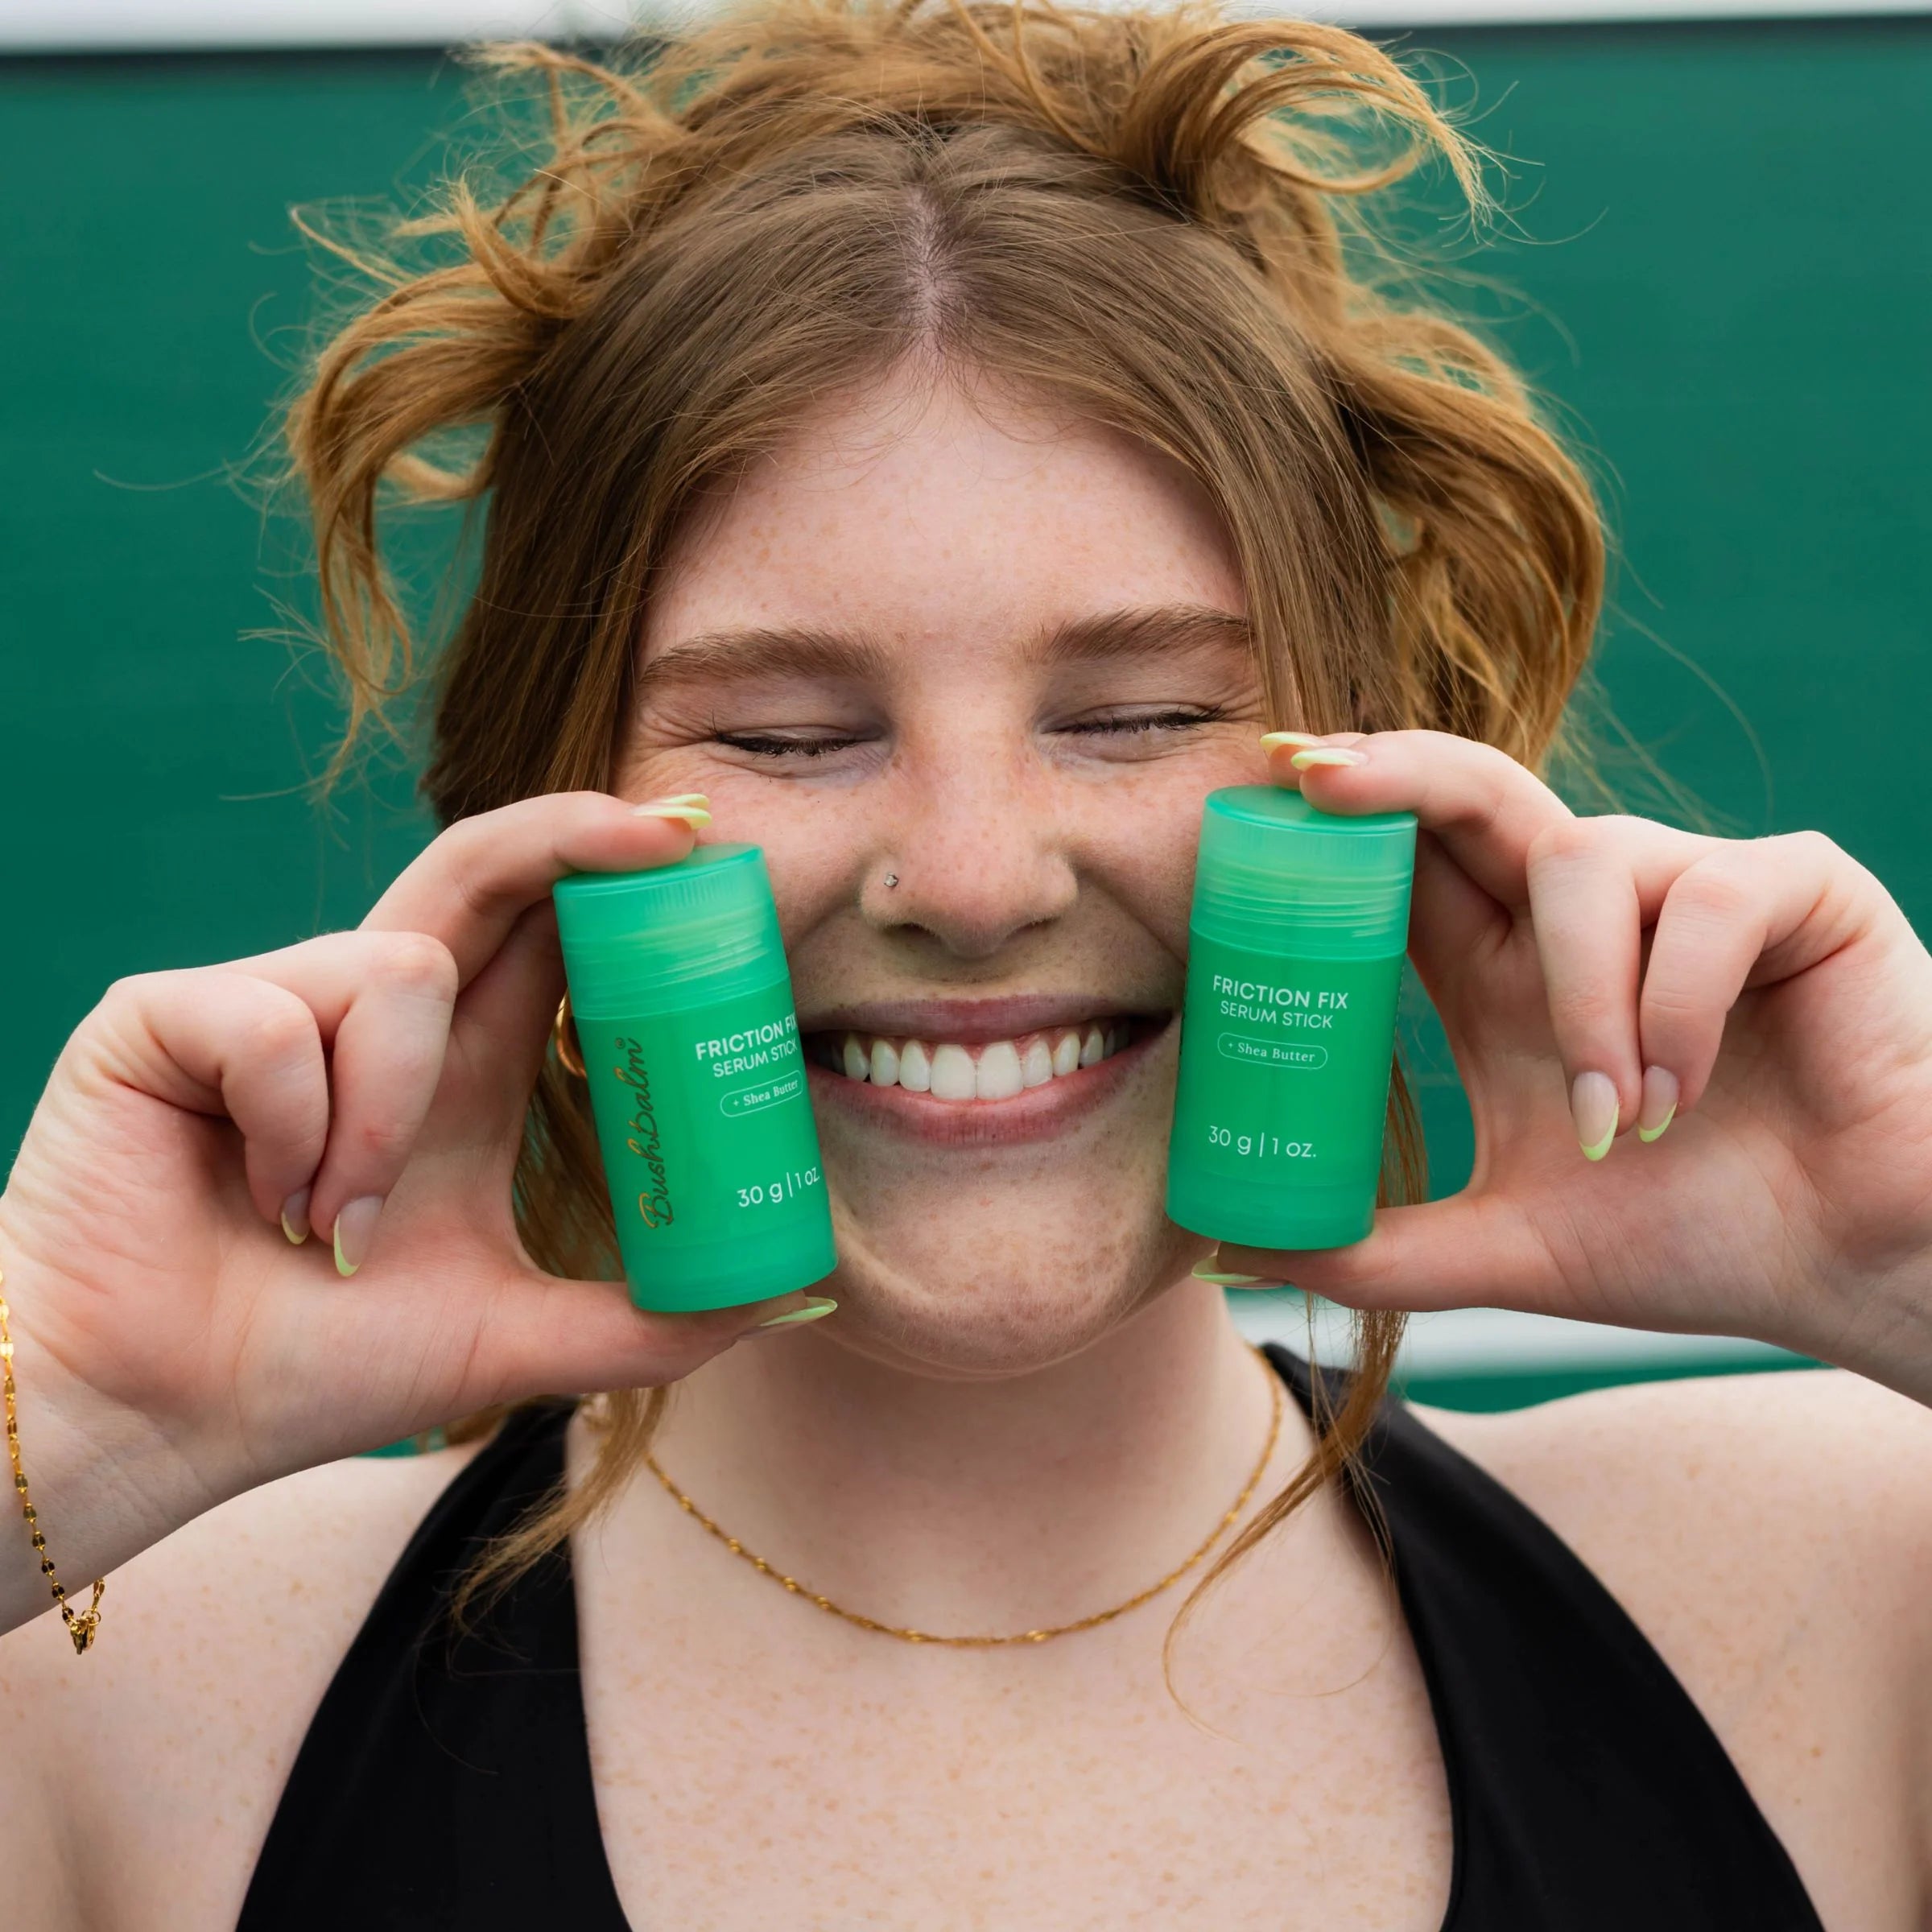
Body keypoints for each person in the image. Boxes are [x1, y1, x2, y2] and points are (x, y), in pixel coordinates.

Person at [2, 0, 1929, 1924]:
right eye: (784, 737)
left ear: (1385, 793)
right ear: (545, 829)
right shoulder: (124, 1689)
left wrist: (1906, 1265)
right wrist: (66, 1434)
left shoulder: (1836, 1580)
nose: (978, 880)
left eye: (1140, 714)